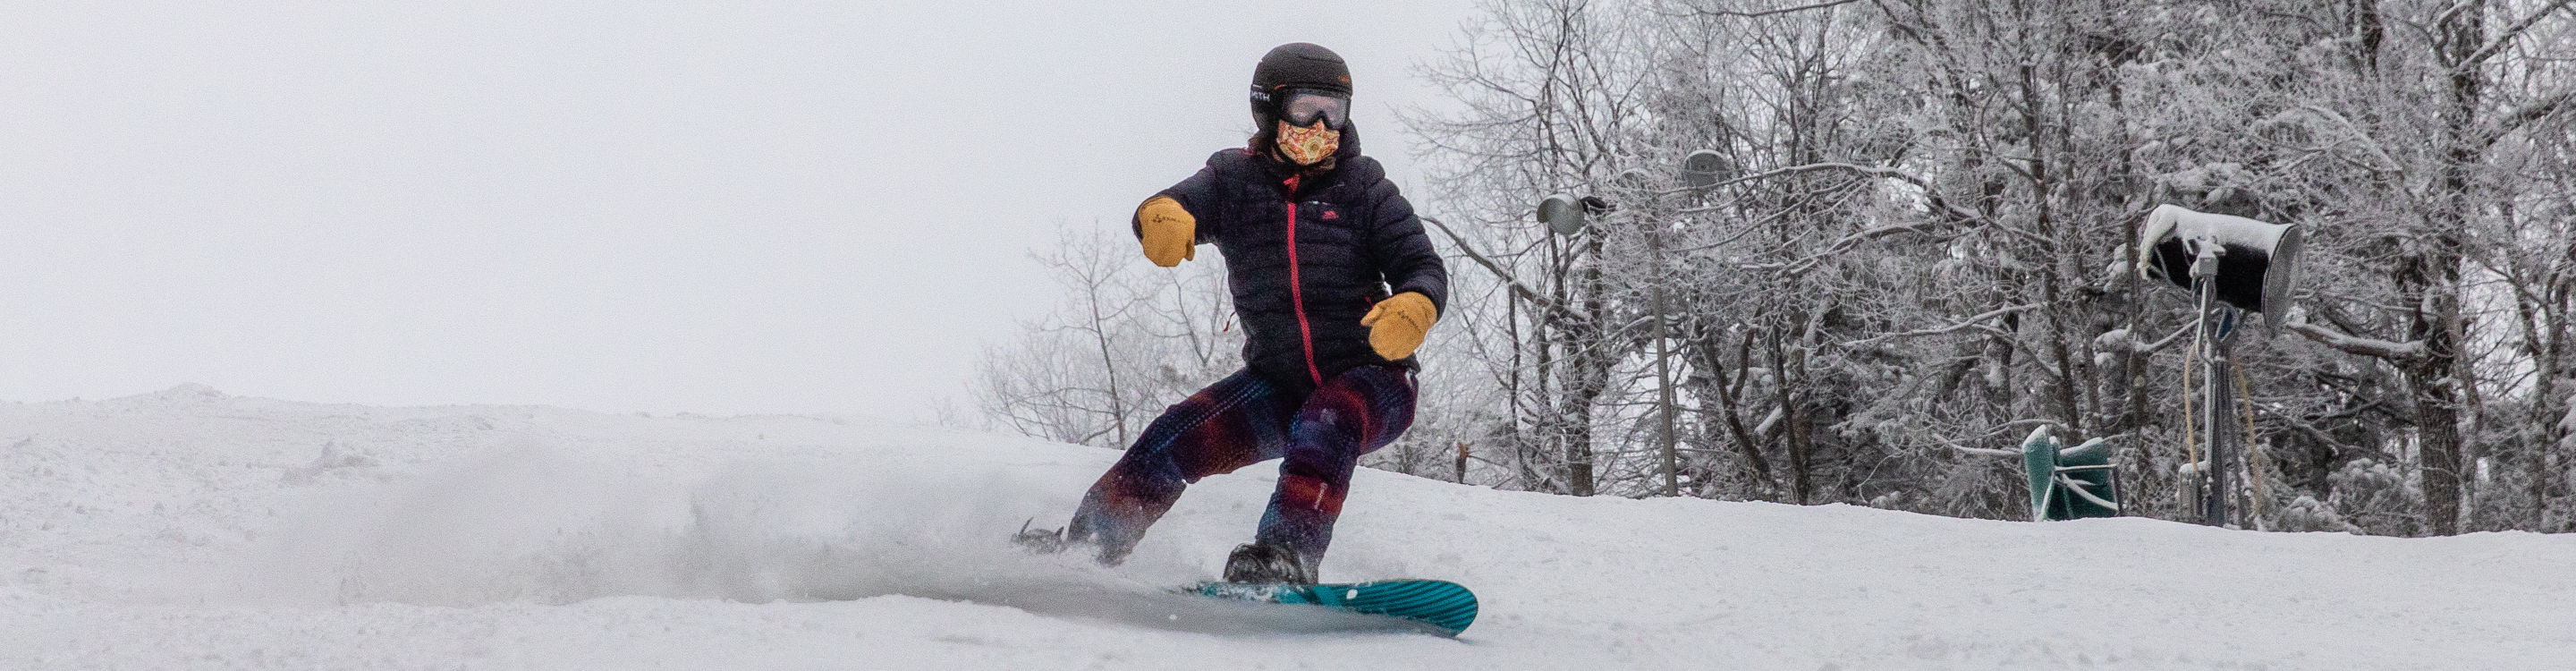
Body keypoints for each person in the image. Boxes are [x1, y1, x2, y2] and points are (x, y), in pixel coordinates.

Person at [1016, 43, 1448, 585]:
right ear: (1269, 109)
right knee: (1176, 435)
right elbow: (1173, 203)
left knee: (1329, 419)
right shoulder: (1233, 181)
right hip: (1279, 385)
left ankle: (1285, 559)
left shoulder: (1366, 189)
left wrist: (1416, 304)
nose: (1320, 126)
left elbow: (1421, 264)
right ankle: (1087, 547)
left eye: (1333, 112)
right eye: (1306, 109)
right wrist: (1161, 216)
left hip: (1377, 381)